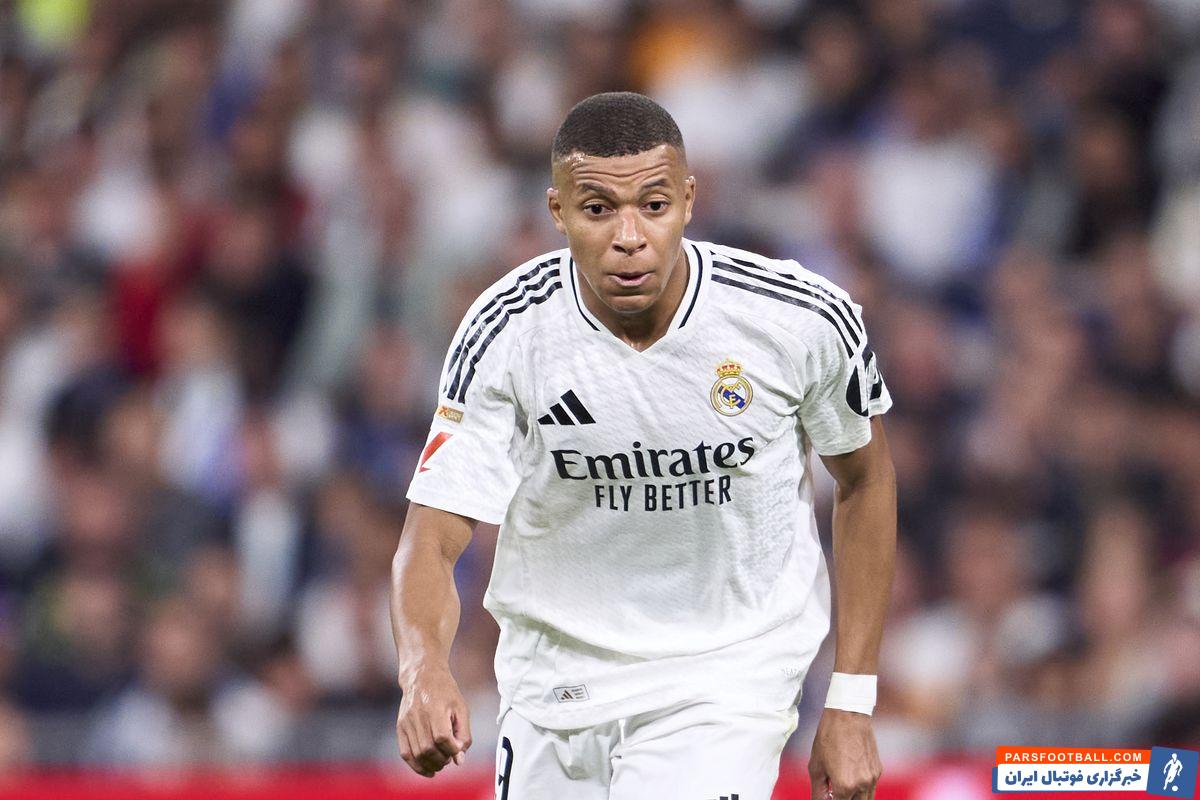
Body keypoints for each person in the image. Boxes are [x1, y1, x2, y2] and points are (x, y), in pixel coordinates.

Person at [390, 92, 896, 800]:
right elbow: (433, 531)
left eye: (653, 206)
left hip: (723, 679)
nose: (629, 236)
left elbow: (865, 479)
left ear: (688, 200)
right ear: (558, 211)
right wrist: (423, 668)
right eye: (598, 209)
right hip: (553, 685)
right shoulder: (508, 332)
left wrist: (851, 699)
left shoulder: (797, 319)